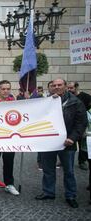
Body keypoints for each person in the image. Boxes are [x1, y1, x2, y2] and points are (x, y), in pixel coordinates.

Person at [35, 78, 87, 208]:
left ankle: (70, 195)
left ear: (65, 86)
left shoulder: (76, 102)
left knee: (69, 171)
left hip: (67, 143)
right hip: (49, 142)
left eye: (59, 85)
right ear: (51, 87)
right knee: (48, 169)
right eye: (54, 85)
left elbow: (81, 123)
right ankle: (48, 192)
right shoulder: (46, 101)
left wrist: (73, 138)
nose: (57, 87)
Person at [68, 81, 91, 170]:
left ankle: (82, 161)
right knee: (69, 144)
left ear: (77, 87)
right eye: (68, 88)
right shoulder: (68, 97)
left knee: (82, 144)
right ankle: (65, 161)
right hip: (70, 124)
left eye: (71, 88)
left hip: (81, 125)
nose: (69, 90)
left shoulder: (86, 96)